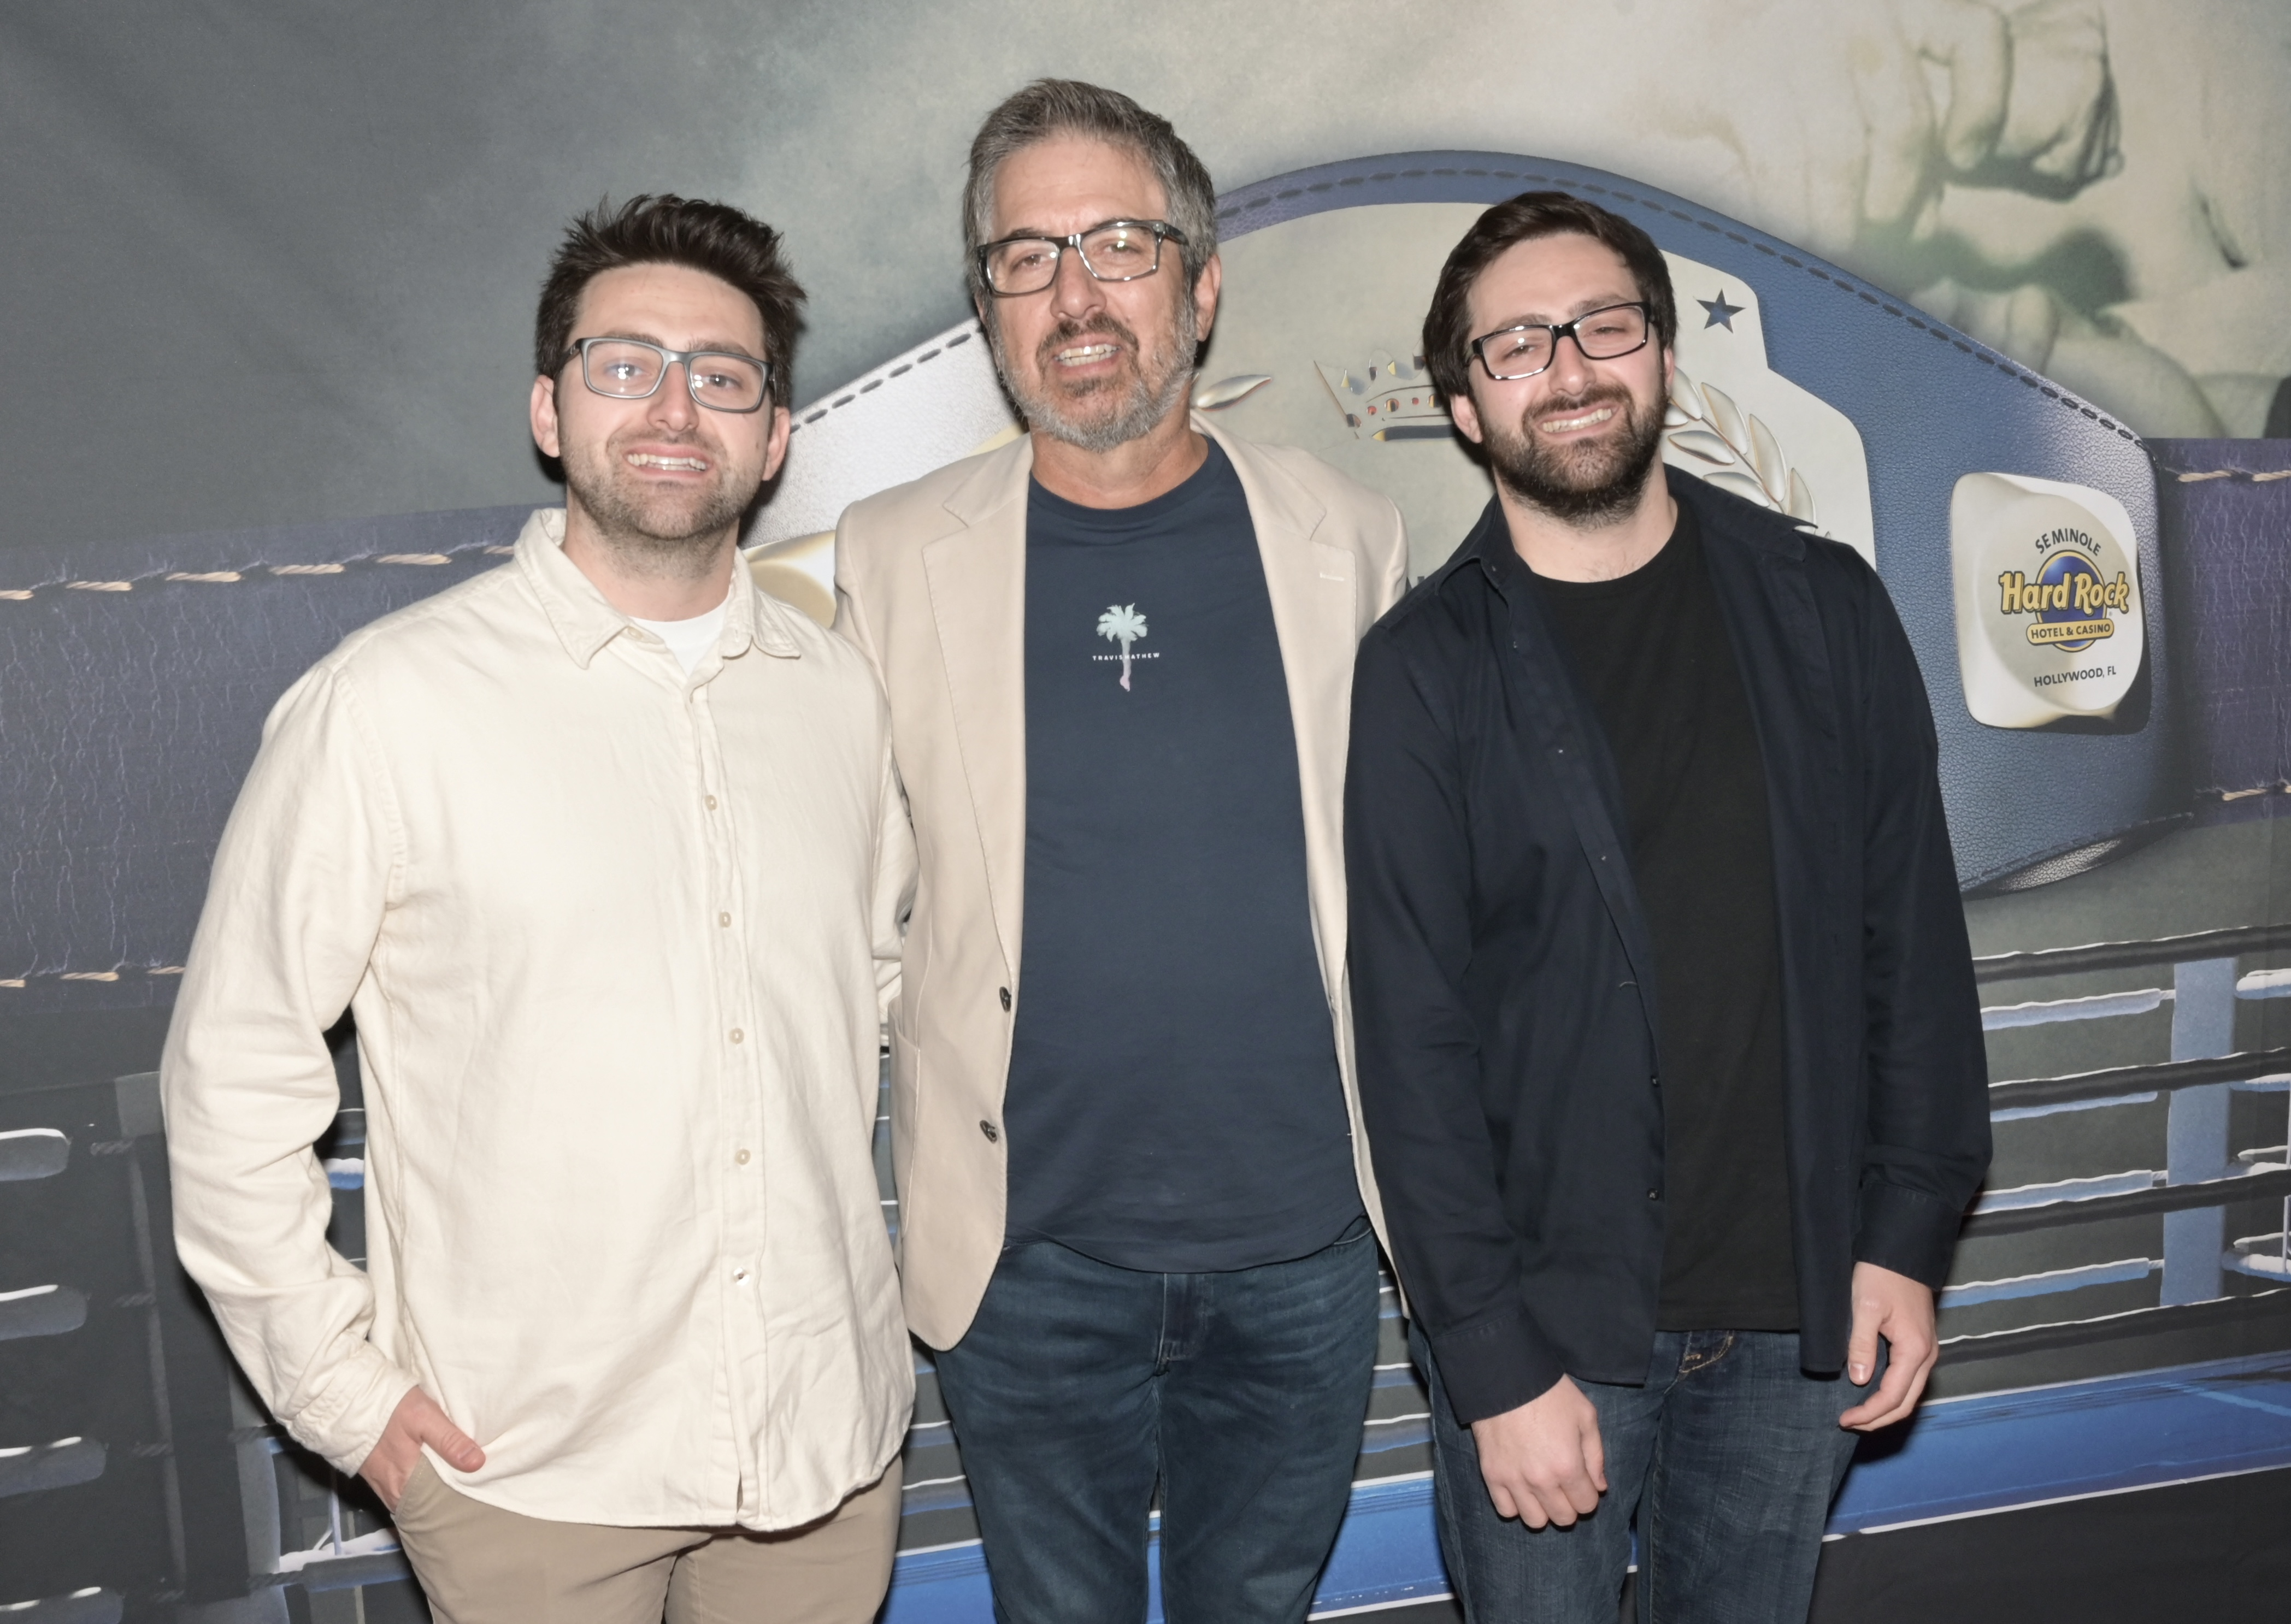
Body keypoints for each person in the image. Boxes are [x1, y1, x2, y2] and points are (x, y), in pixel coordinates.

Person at [161, 194, 915, 1624]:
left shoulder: (839, 696)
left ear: (776, 434)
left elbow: (873, 993)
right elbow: (230, 1079)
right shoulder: (385, 707)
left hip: (826, 1454)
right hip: (529, 1480)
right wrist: (345, 1397)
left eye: (723, 373)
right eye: (624, 363)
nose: (674, 405)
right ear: (550, 411)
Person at [1345, 191, 1993, 1622]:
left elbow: (1911, 950)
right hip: (1549, 1335)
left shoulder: (1825, 607)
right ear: (1462, 405)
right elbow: (1411, 1046)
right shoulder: (1421, 672)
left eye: (1603, 326)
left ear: (1660, 358)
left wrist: (1903, 1233)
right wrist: (1491, 1362)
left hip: (1801, 1317)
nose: (1569, 367)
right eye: (1516, 345)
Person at [833, 79, 1408, 1624]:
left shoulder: (1346, 534)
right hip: (1027, 1264)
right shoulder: (887, 556)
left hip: (1302, 1246)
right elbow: (858, 912)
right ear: (986, 309)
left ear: (1201, 285)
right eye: (1025, 258)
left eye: (1117, 245)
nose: (1074, 295)